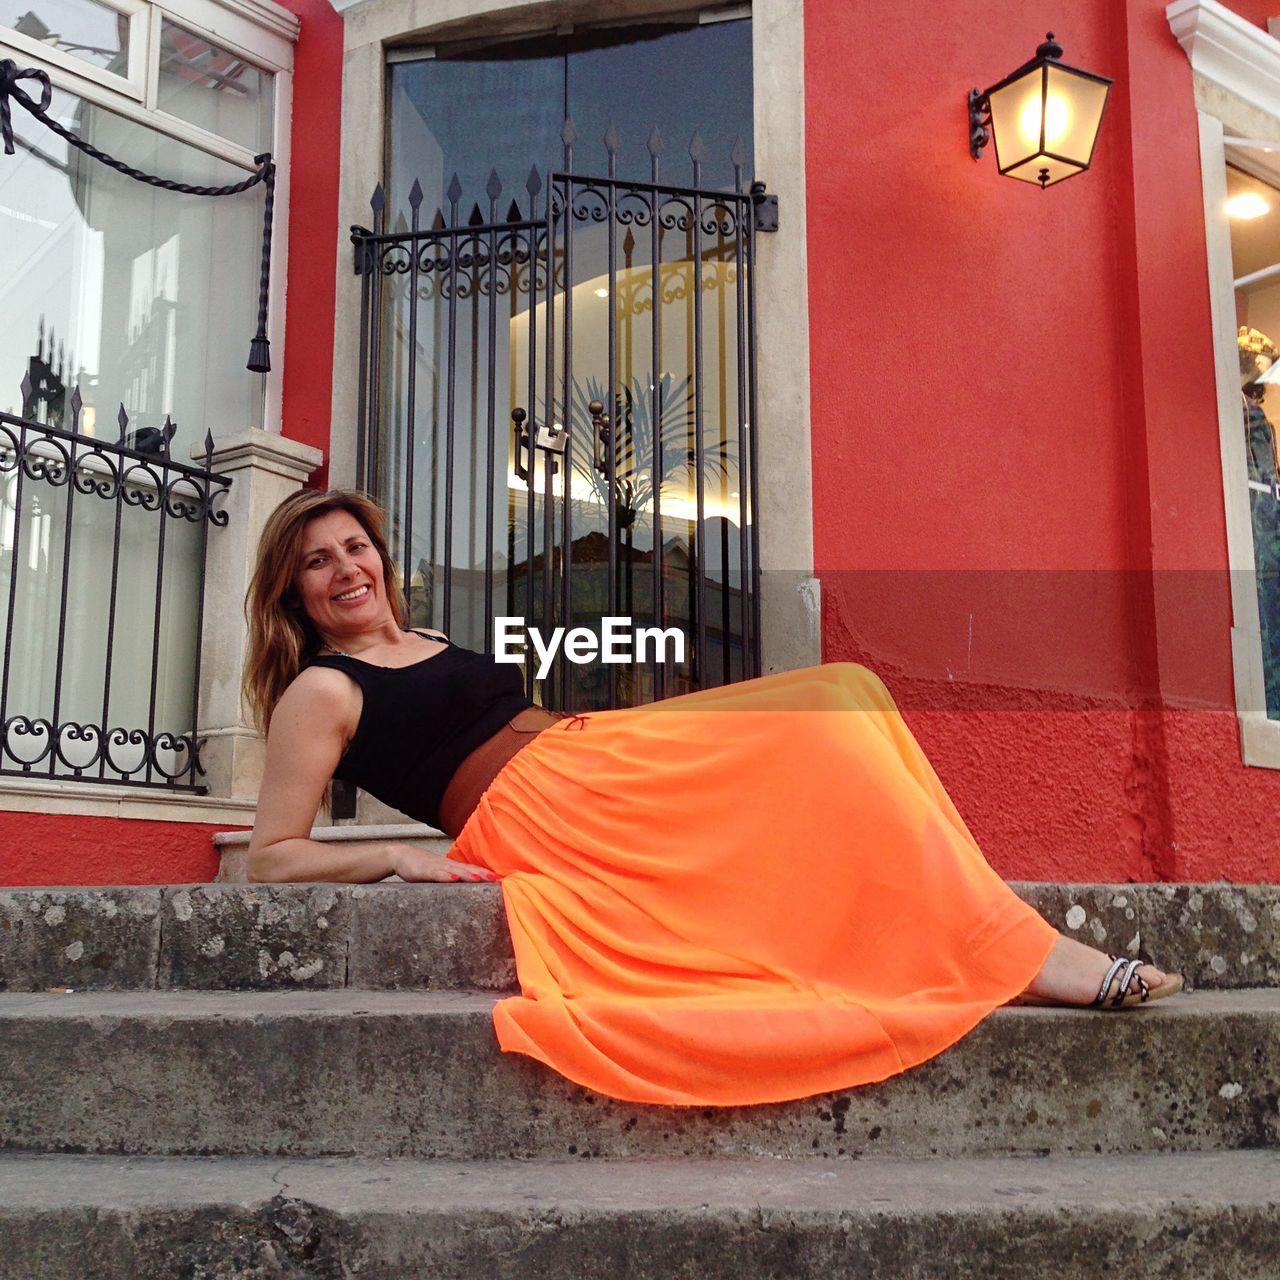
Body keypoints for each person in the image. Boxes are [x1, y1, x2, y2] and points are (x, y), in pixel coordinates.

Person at [243, 488, 1183, 1108]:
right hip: (549, 811)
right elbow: (272, 854)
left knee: (846, 693)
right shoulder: (321, 689)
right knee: (830, 709)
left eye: (354, 546)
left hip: (592, 754)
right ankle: (1021, 951)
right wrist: (403, 854)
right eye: (318, 562)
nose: (345, 570)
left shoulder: (432, 637)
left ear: (380, 554)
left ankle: (993, 938)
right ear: (293, 591)